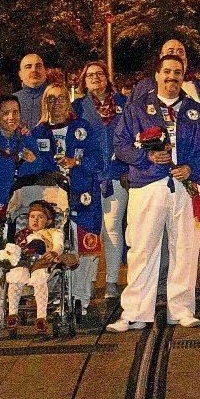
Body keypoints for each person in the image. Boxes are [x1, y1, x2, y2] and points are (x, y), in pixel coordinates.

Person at [108, 55, 200, 331]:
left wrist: (192, 169)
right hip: (148, 185)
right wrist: (147, 158)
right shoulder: (138, 109)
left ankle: (182, 309)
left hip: (186, 187)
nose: (172, 77)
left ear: (184, 76)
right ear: (157, 75)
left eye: (177, 73)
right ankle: (135, 312)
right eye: (166, 72)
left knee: (186, 249)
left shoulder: (195, 110)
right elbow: (120, 143)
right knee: (142, 248)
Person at [18, 85, 104, 314]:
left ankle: (80, 298)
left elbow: (99, 161)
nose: (56, 103)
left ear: (69, 101)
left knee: (84, 249)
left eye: (61, 98)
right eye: (50, 98)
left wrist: (77, 163)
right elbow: (29, 167)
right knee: (54, 246)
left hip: (83, 197)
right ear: (44, 103)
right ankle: (57, 295)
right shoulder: (37, 133)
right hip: (52, 202)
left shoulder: (82, 128)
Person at [0, 95, 39, 322]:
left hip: (17, 206)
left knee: (18, 249)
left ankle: (15, 288)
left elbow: (40, 163)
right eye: (5, 113)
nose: (11, 117)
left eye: (16, 112)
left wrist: (32, 159)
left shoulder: (24, 138)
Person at [73, 61, 129, 298]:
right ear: (83, 81)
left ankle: (112, 281)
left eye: (100, 74)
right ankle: (88, 279)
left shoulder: (124, 105)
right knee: (89, 229)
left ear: (107, 78)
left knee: (113, 228)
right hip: (87, 177)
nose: (95, 78)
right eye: (90, 75)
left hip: (117, 175)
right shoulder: (76, 108)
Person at [128, 39, 200, 165]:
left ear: (186, 60)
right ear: (161, 57)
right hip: (153, 169)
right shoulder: (145, 87)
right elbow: (129, 128)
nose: (175, 54)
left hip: (195, 166)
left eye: (180, 52)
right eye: (170, 51)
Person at [3, 200, 65, 336]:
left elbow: (59, 245)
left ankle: (41, 317)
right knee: (16, 278)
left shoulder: (53, 232)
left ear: (48, 221)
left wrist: (54, 252)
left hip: (42, 261)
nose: (35, 220)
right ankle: (12, 314)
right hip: (24, 261)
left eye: (40, 217)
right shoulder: (22, 234)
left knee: (39, 279)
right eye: (32, 217)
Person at [14, 53, 48, 129]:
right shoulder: (11, 100)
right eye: (28, 67)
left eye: (38, 66)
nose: (34, 70)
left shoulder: (55, 99)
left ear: (45, 72)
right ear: (20, 75)